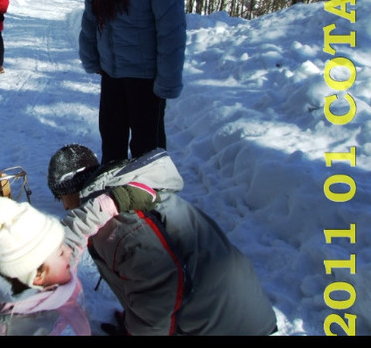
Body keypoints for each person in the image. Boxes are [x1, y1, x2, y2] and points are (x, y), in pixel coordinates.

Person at [46, 144, 279, 336]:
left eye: (61, 197)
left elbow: (159, 291)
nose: (65, 207)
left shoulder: (118, 225)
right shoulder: (125, 197)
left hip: (226, 327)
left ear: (73, 189)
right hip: (240, 316)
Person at [79, 0, 187, 165]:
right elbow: (92, 12)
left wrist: (168, 80)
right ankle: (112, 195)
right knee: (111, 138)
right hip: (111, 70)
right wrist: (90, 54)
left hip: (145, 76)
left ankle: (152, 196)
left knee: (146, 146)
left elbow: (171, 29)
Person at [0, 188, 155, 336]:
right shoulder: (25, 328)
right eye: (60, 252)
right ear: (38, 277)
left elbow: (76, 228)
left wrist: (115, 199)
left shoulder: (49, 269)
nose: (68, 250)